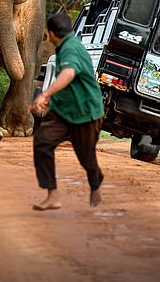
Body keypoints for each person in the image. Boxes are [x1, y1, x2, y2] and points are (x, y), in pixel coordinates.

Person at [29, 13, 105, 211]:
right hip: (63, 112)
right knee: (42, 142)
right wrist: (52, 100)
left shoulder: (70, 48)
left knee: (86, 158)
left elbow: (69, 73)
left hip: (86, 113)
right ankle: (52, 195)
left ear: (52, 34)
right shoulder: (65, 46)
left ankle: (95, 181)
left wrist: (45, 94)